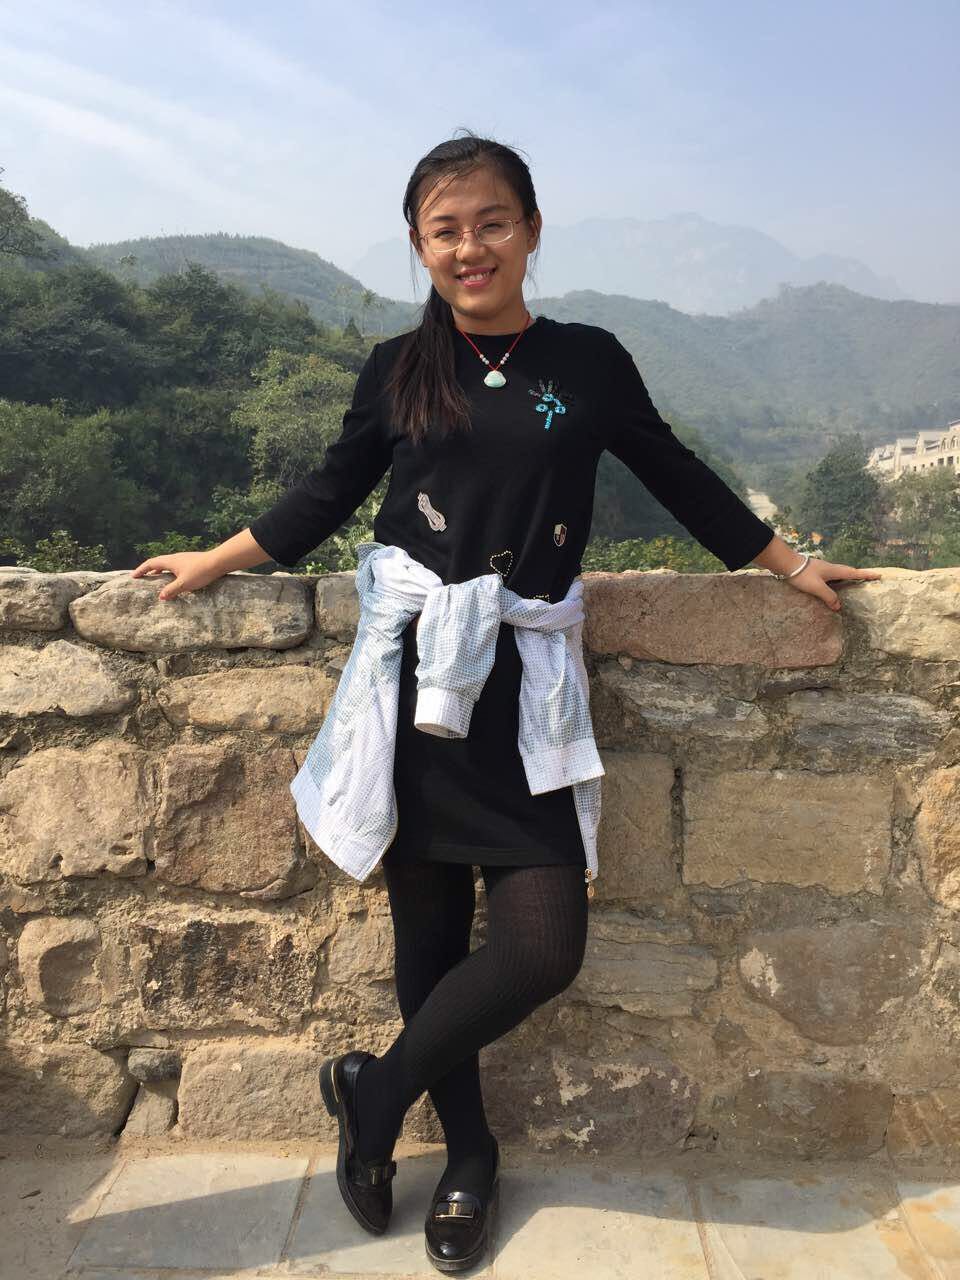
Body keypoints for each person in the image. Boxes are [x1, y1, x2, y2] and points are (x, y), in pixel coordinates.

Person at [131, 131, 882, 1272]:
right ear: (419, 244)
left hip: (525, 683)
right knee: (429, 942)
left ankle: (372, 1094)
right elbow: (327, 493)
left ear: (530, 229)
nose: (469, 246)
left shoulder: (589, 361)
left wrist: (789, 562)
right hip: (416, 683)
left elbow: (674, 473)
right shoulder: (398, 367)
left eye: (490, 222)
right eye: (445, 229)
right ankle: (469, 1154)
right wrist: (216, 559)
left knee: (542, 944)